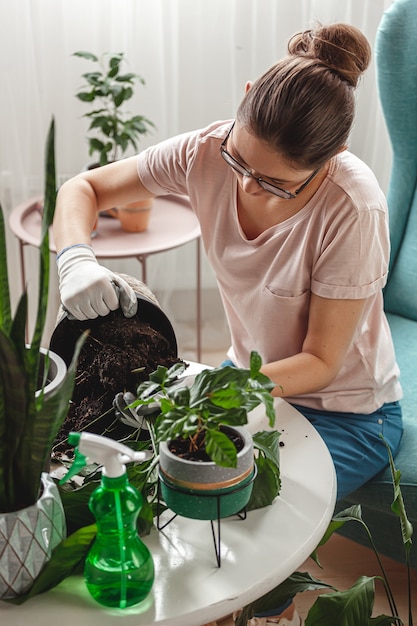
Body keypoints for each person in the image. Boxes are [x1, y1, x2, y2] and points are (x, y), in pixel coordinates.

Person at [54, 22, 403, 626]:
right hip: (242, 377)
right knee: (159, 496)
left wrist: (216, 387)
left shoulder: (353, 207)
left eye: (274, 183)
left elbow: (321, 362)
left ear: (332, 159)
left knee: (247, 540)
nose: (246, 184)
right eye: (240, 161)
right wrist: (75, 259)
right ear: (242, 99)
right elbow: (83, 188)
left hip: (347, 412)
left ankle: (267, 613)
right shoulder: (205, 152)